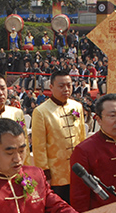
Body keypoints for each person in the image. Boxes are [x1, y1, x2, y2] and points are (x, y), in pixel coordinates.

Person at [31, 70, 86, 203]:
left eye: (69, 85)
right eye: (61, 86)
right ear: (51, 87)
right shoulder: (41, 111)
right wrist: (45, 172)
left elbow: (82, 137)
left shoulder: (77, 106)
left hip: (77, 170)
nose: (66, 89)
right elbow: (39, 146)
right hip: (56, 173)